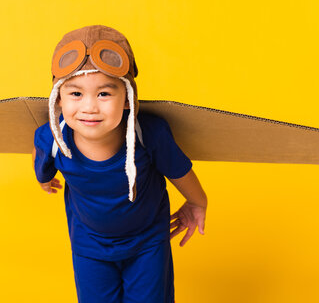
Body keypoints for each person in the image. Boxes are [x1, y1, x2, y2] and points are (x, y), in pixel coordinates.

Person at [32, 25, 207, 303]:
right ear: (58, 99)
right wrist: (43, 177)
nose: (89, 107)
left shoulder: (148, 133)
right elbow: (40, 156)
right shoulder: (53, 137)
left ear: (127, 98)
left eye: (104, 94)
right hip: (89, 245)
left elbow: (179, 171)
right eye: (76, 94)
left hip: (147, 242)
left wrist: (197, 202)